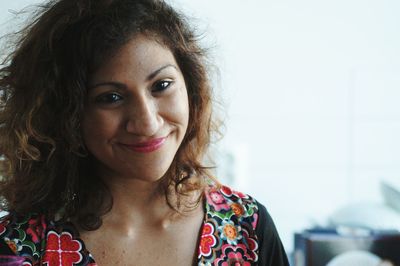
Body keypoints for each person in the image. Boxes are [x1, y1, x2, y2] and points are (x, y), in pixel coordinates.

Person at [0, 0, 289, 265]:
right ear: (66, 115)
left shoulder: (248, 228)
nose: (147, 123)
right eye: (111, 97)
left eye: (161, 86)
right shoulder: (19, 247)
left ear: (190, 87)